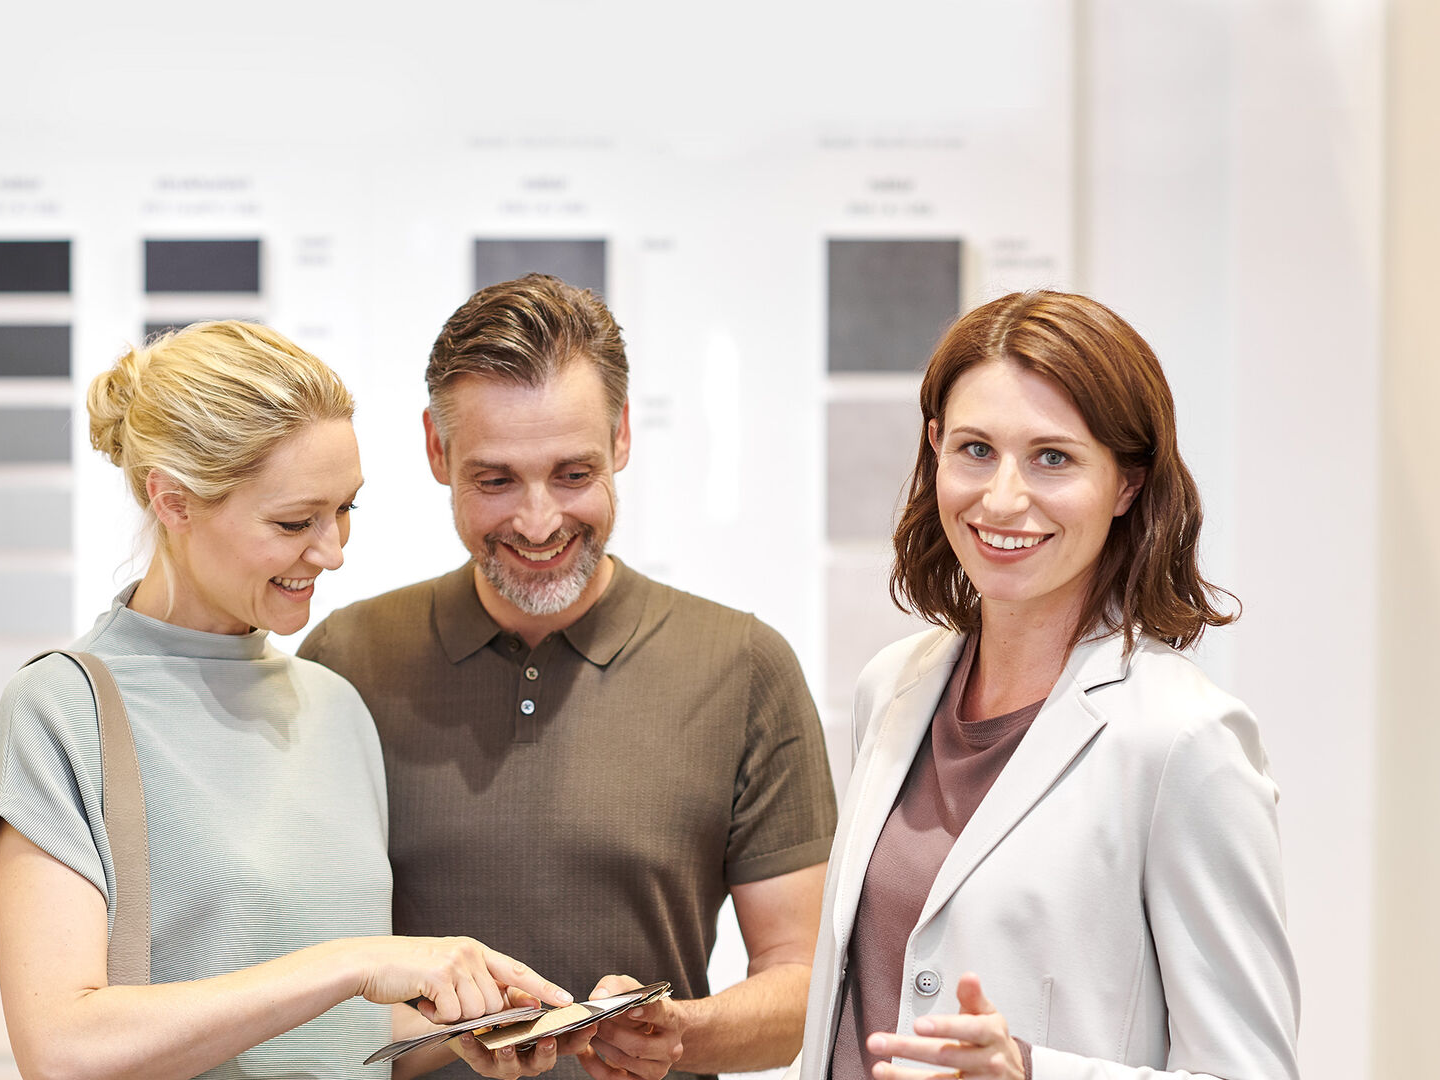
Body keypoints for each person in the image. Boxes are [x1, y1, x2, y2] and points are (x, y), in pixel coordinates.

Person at [0, 321, 572, 1080]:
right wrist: (354, 962)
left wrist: (461, 1027)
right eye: (295, 522)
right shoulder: (62, 709)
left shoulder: (334, 707)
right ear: (173, 500)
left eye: (346, 509)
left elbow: (321, 1039)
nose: (333, 551)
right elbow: (63, 1048)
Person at [298, 275, 840, 1080]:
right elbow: (296, 975)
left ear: (622, 435)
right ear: (436, 451)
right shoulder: (347, 659)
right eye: (496, 480)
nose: (540, 521)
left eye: (573, 474)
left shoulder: (745, 666)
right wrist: (435, 1034)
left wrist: (678, 1030)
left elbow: (804, 985)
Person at [792, 291, 1299, 1080]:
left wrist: (1031, 1073)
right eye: (975, 450)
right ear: (934, 449)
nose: (1002, 499)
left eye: (1053, 458)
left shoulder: (1183, 742)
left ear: (1127, 484)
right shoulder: (891, 687)